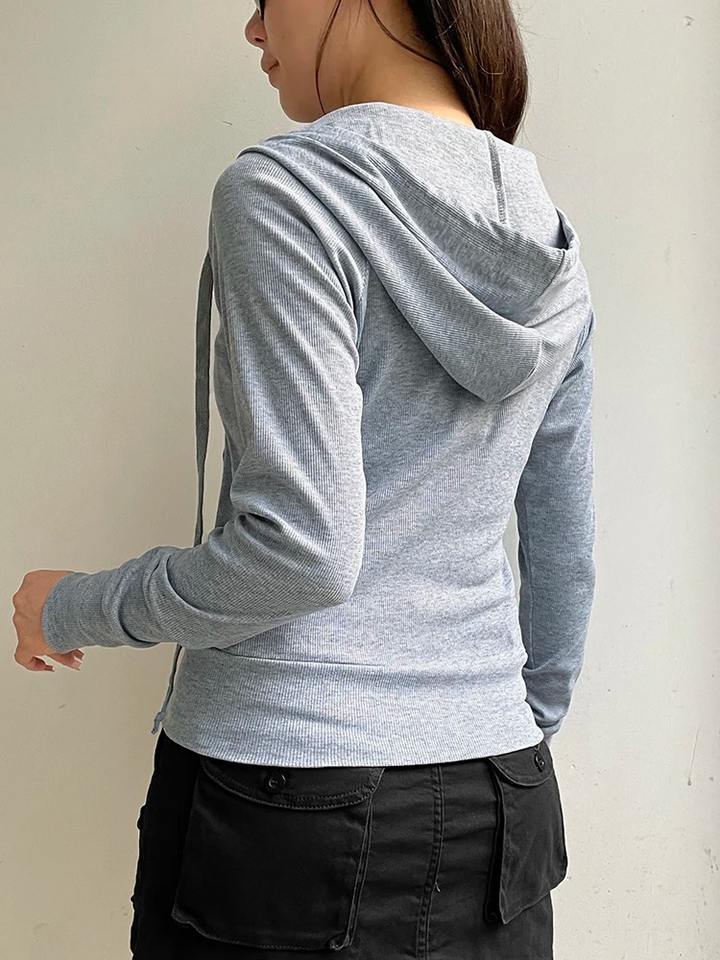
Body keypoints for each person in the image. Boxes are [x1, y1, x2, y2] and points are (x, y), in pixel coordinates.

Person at [40, 1, 597, 956]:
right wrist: (509, 720)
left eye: (266, 0)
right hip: (499, 795)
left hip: (282, 796)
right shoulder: (548, 244)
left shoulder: (288, 194)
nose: (254, 31)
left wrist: (71, 608)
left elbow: (301, 552)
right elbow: (564, 547)